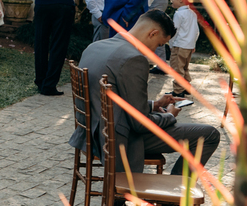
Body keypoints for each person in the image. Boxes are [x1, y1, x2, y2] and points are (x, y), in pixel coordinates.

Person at [69, 10, 220, 184]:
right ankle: (174, 192)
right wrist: (169, 116)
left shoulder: (94, 47)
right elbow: (139, 124)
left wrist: (153, 104)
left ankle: (170, 190)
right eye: (159, 44)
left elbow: (111, 98)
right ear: (152, 33)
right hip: (119, 139)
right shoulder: (133, 58)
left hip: (91, 134)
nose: (155, 51)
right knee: (209, 135)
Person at [168, 0, 200, 97]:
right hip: (188, 46)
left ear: (181, 0)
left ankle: (178, 91)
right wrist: (193, 44)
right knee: (184, 67)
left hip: (179, 45)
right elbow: (196, 31)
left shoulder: (179, 14)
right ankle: (186, 87)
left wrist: (171, 44)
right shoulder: (192, 14)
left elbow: (174, 31)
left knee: (177, 68)